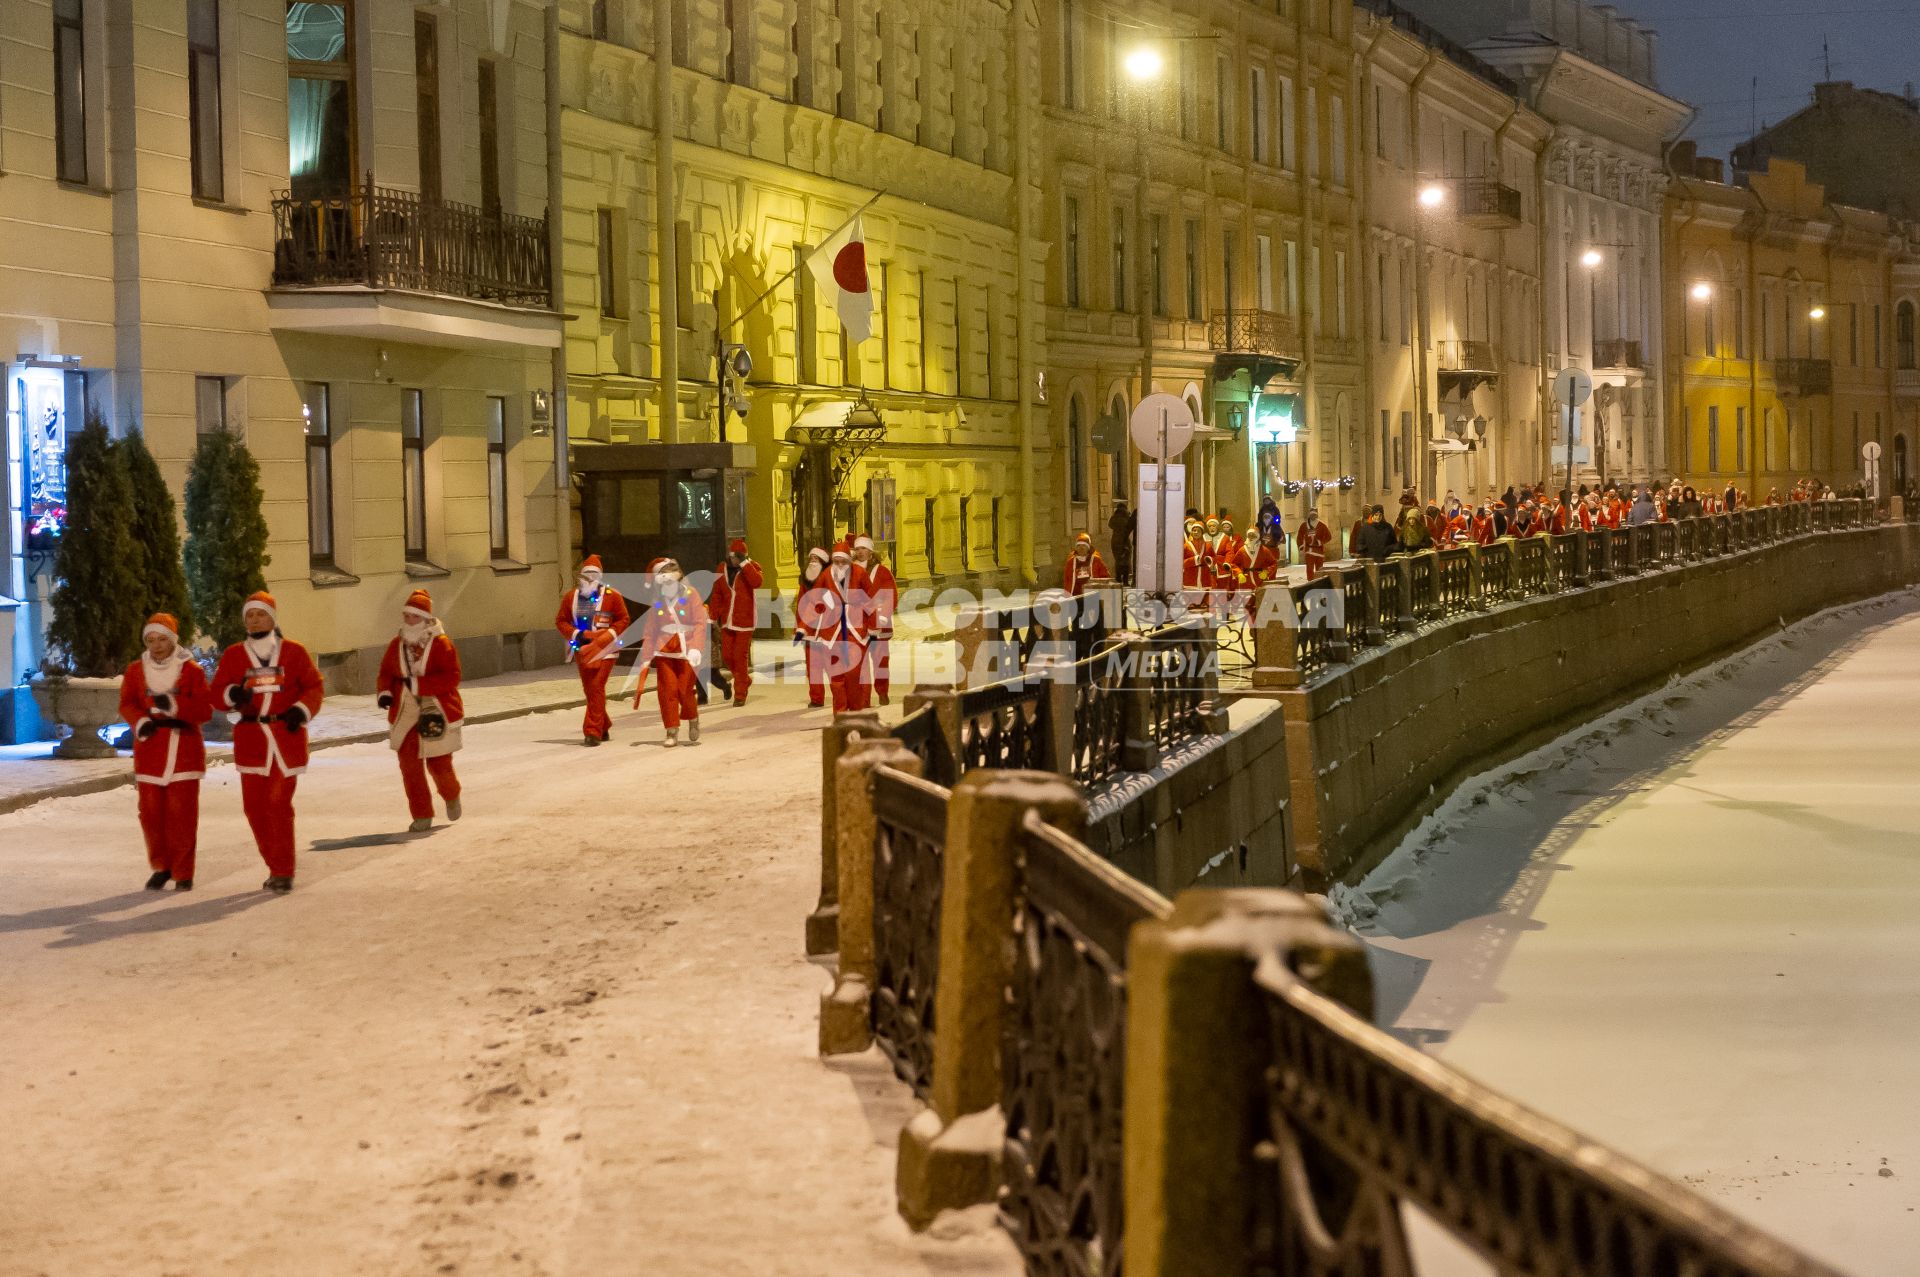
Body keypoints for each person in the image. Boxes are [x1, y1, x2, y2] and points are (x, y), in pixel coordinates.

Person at [212, 592, 323, 894]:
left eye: (260, 614)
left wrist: (301, 710)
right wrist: (232, 694)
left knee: (277, 804)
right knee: (254, 808)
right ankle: (275, 864)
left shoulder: (294, 652)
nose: (255, 620)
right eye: (249, 616)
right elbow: (217, 691)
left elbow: (313, 686)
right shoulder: (235, 655)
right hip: (251, 741)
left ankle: (283, 870)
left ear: (272, 618)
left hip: (285, 738)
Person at [119, 613, 212, 892]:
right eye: (151, 640)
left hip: (183, 748)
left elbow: (204, 710)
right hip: (149, 748)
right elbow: (127, 703)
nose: (156, 645)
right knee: (150, 815)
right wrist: (141, 722)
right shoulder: (136, 671)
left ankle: (184, 871)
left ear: (172, 640)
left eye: (161, 639)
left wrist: (173, 704)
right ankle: (161, 866)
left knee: (181, 814)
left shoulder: (191, 671)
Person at [377, 590, 464, 833]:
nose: (408, 620)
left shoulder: (442, 644)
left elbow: (452, 677)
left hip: (436, 710)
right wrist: (385, 692)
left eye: (413, 616)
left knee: (439, 764)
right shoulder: (397, 644)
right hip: (405, 712)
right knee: (409, 767)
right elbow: (385, 672)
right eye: (406, 615)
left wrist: (419, 685)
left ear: (425, 618)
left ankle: (451, 793)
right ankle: (422, 814)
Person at [633, 557, 710, 746]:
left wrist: (696, 649)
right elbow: (650, 630)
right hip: (664, 651)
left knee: (684, 690)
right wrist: (646, 657)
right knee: (667, 691)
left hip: (687, 650)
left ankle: (692, 718)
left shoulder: (691, 595)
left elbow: (700, 623)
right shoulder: (657, 601)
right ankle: (671, 730)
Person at [556, 555, 629, 745]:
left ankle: (592, 731)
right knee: (590, 690)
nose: (589, 579)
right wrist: (575, 634)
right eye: (586, 575)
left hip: (606, 649)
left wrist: (609, 635)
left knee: (596, 686)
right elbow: (561, 620)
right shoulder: (571, 597)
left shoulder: (613, 596)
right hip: (581, 648)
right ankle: (603, 724)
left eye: (593, 575)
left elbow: (623, 619)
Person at [797, 542, 871, 714]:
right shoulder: (825, 576)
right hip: (832, 632)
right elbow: (815, 602)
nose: (839, 565)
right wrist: (803, 627)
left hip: (855, 630)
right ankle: (840, 712)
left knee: (853, 674)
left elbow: (871, 600)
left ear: (848, 561)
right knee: (836, 677)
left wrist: (874, 625)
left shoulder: (859, 573)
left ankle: (856, 710)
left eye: (842, 561)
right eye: (836, 561)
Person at [707, 539, 762, 707]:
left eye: (737, 556)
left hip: (745, 621)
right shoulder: (721, 569)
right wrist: (712, 616)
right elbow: (717, 593)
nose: (734, 559)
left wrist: (745, 564)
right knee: (727, 656)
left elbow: (757, 582)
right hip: (726, 620)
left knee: (740, 657)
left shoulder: (752, 567)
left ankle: (740, 694)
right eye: (732, 556)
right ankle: (744, 679)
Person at [853, 535, 898, 703]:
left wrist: (882, 616)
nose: (860, 552)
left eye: (863, 548)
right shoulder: (851, 571)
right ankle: (863, 699)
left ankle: (882, 692)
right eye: (857, 549)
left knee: (880, 661)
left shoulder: (882, 571)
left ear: (871, 551)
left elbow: (890, 595)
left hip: (879, 625)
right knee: (861, 664)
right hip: (859, 626)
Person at [794, 547, 832, 708]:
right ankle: (816, 698)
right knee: (813, 667)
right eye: (811, 558)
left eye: (816, 558)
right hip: (809, 630)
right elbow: (801, 605)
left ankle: (840, 695)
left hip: (827, 630)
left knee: (832, 667)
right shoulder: (805, 582)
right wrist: (799, 626)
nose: (813, 561)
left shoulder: (830, 580)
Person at [1064, 531, 1108, 596]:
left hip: (1092, 595)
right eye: (1078, 545)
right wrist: (1067, 595)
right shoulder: (1071, 562)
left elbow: (1105, 578)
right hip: (1075, 596)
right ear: (1076, 548)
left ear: (1088, 548)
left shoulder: (1096, 560)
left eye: (1084, 545)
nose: (1081, 548)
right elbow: (1066, 581)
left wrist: (1101, 593)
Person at [1296, 508, 1333, 580]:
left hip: (1319, 551)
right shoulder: (1304, 525)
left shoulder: (1322, 525)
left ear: (1317, 515)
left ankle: (1319, 583)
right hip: (1309, 551)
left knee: (1319, 570)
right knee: (1309, 569)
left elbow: (1329, 536)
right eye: (1312, 514)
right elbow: (1300, 536)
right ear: (1309, 515)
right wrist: (1301, 546)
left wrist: (1320, 542)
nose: (1313, 516)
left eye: (1314, 514)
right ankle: (1310, 583)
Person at [1107, 500, 1135, 584]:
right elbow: (1129, 527)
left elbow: (1110, 525)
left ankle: (1118, 578)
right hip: (1124, 541)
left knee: (1118, 560)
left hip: (1115, 541)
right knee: (1126, 560)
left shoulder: (1114, 517)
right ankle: (1125, 580)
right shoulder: (1126, 516)